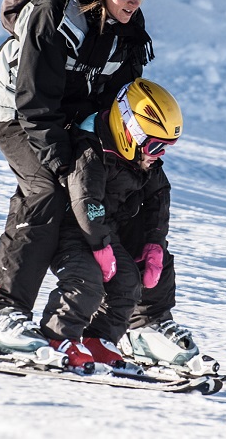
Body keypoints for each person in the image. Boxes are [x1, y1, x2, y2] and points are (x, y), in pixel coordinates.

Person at [0, 0, 160, 353]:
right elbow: (34, 104)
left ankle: (125, 325)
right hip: (20, 114)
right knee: (47, 193)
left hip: (76, 121)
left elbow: (123, 93)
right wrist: (61, 163)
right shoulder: (52, 12)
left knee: (130, 187)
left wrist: (125, 148)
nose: (135, 2)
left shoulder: (125, 20)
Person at [39, 78, 183, 369]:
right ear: (130, 130)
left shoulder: (140, 156)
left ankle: (98, 339)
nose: (159, 155)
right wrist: (100, 245)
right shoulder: (92, 149)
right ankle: (57, 338)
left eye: (165, 147)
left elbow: (159, 195)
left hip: (103, 233)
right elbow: (85, 199)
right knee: (85, 282)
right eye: (155, 145)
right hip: (72, 231)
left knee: (128, 281)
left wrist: (155, 242)